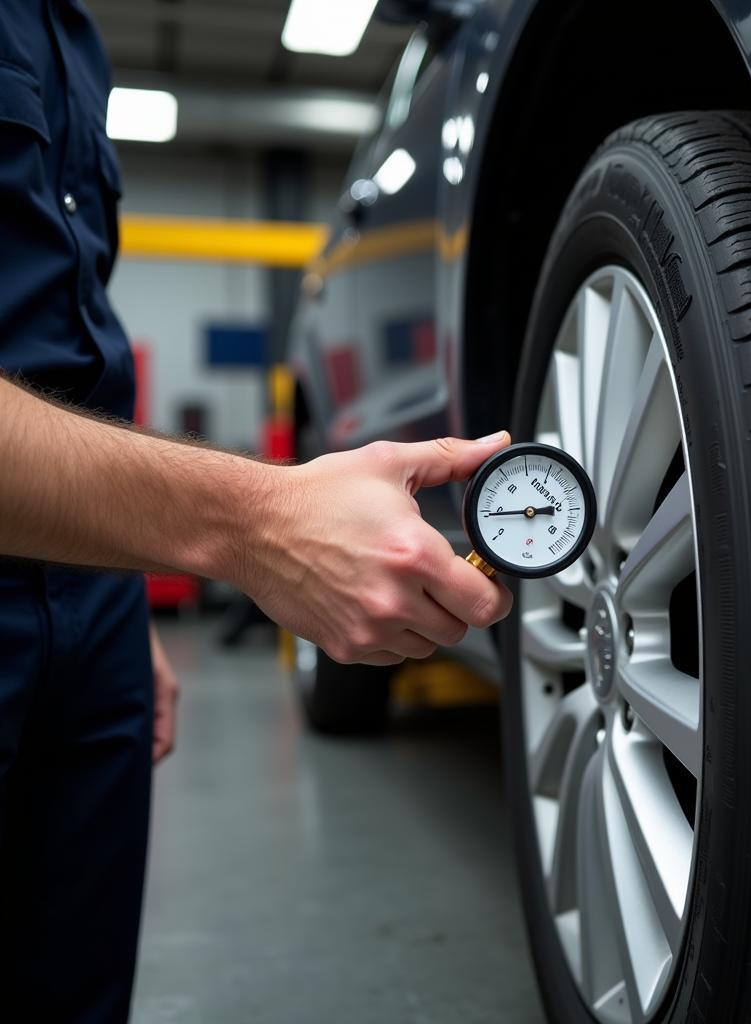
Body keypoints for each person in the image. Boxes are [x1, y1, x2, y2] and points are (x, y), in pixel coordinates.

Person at [0, 3, 513, 1021]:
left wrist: (114, 590)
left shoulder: (74, 38)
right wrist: (257, 522)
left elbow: (64, 352)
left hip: (92, 604)